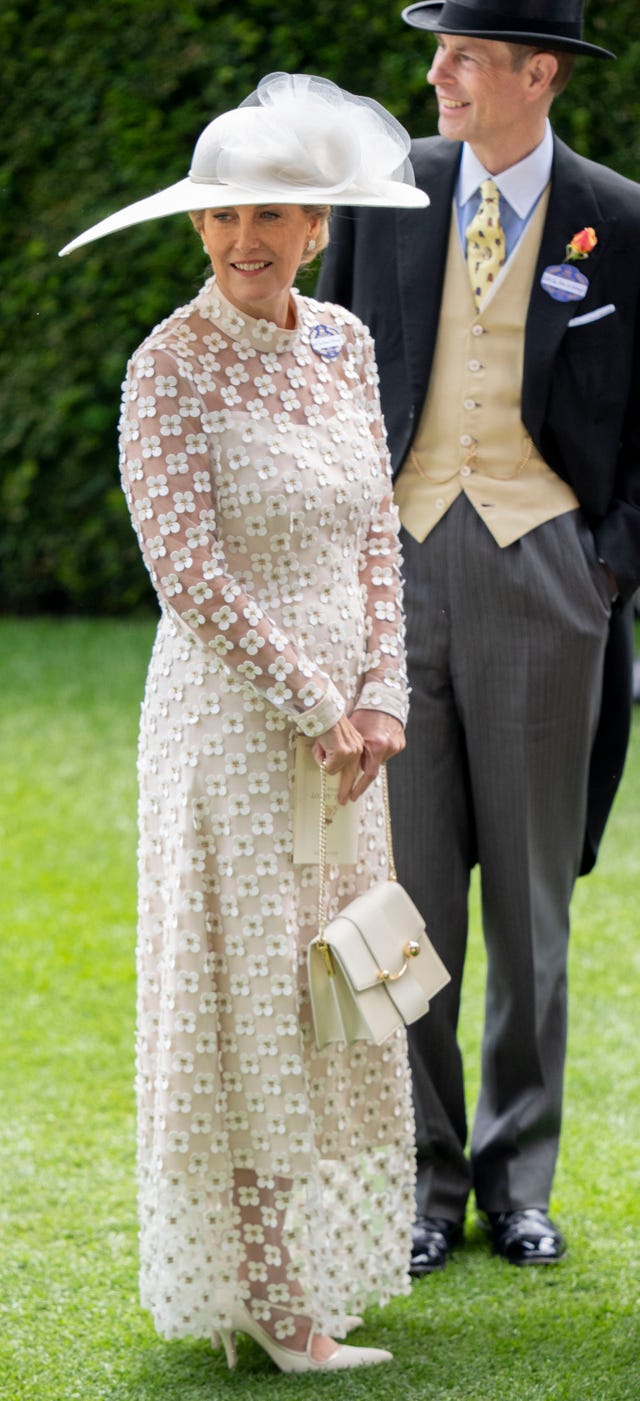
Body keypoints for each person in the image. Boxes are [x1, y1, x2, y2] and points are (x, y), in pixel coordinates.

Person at [60, 73, 429, 1372]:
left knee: (344, 991)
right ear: (199, 229)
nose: (245, 237)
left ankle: (323, 1269)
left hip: (346, 743)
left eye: (273, 211)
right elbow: (189, 573)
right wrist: (320, 702)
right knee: (252, 1001)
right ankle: (272, 1304)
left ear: (318, 225)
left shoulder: (346, 345)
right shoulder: (164, 365)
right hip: (233, 729)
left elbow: (376, 531)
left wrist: (379, 694)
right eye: (223, 215)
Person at [317, 1, 640, 1272]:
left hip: (548, 574)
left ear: (535, 74)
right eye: (438, 52)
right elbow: (336, 377)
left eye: (462, 57)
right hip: (396, 571)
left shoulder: (619, 220)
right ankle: (422, 1183)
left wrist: (606, 566)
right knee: (407, 903)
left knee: (529, 904)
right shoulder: (388, 193)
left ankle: (517, 1183)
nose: (436, 75)